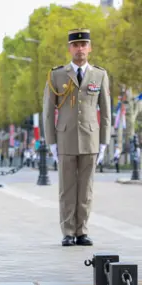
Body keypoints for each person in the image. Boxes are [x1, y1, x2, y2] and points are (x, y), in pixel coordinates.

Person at [43, 28, 111, 247]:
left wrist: (104, 141)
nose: (80, 48)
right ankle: (68, 231)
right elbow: (47, 111)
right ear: (70, 48)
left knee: (86, 189)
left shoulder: (100, 75)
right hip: (65, 139)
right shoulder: (57, 75)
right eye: (76, 45)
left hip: (91, 138)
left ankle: (82, 231)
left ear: (89, 48)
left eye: (84, 44)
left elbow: (106, 111)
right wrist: (51, 142)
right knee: (67, 189)